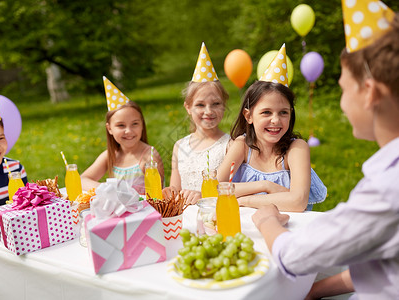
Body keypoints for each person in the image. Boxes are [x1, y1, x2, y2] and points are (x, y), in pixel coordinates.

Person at [252, 3, 399, 299]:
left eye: (344, 89)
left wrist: (266, 219)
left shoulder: (388, 188)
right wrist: (317, 291)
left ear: (369, 92)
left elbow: (294, 255)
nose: (343, 103)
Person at [217, 44, 326, 212]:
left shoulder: (296, 149)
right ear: (249, 116)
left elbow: (297, 202)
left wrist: (244, 200)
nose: (275, 120)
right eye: (266, 112)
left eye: (283, 112)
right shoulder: (242, 146)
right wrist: (266, 186)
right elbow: (216, 188)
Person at [168, 42, 231, 204]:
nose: (208, 111)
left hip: (215, 212)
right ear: (188, 107)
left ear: (224, 105)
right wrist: (169, 191)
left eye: (216, 104)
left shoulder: (230, 144)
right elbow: (175, 188)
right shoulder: (179, 146)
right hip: (185, 214)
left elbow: (232, 187)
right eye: (200, 105)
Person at [81, 76, 164, 195]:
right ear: (109, 128)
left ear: (142, 125)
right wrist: (107, 189)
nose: (128, 131)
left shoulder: (149, 156)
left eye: (134, 124)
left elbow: (157, 195)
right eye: (121, 125)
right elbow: (82, 180)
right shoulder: (110, 155)